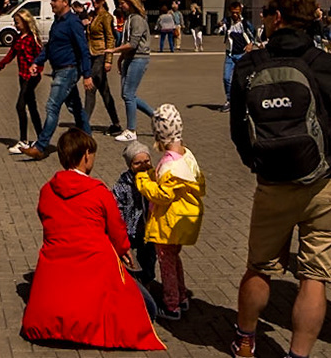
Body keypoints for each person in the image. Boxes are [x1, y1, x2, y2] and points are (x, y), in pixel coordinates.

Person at [228, 0, 331, 358]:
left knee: (259, 267)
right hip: (326, 180)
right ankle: (298, 354)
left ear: (276, 18)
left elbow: (239, 130)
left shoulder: (249, 66)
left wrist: (255, 162)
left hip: (273, 180)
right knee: (315, 276)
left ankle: (245, 340)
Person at [21, 126, 165, 350]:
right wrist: (124, 251)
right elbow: (117, 231)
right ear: (86, 155)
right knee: (149, 308)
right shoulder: (98, 191)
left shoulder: (47, 190)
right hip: (95, 266)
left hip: (56, 270)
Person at [133, 104, 203, 320]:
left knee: (166, 262)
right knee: (174, 258)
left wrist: (143, 179)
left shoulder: (170, 166)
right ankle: (181, 296)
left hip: (169, 222)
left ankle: (171, 304)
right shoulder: (187, 156)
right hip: (182, 219)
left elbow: (162, 195)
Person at [19, 0, 92, 162]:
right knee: (76, 108)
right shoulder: (57, 22)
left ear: (65, 2)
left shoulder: (73, 22)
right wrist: (37, 62)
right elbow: (50, 47)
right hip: (59, 69)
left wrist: (87, 74)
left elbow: (83, 49)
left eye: (54, 1)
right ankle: (88, 141)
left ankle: (40, 146)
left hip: (68, 70)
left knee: (52, 107)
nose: (51, 3)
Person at [112, 139, 158, 288]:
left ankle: (147, 280)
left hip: (149, 228)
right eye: (137, 163)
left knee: (149, 257)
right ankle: (130, 281)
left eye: (147, 161)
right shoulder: (124, 183)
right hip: (130, 228)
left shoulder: (154, 178)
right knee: (129, 259)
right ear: (130, 165)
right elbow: (117, 205)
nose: (143, 166)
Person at [0, 9, 44, 149]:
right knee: (32, 106)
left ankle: (23, 140)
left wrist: (37, 70)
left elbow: (40, 57)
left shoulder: (33, 38)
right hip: (22, 75)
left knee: (20, 105)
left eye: (17, 23)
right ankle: (42, 137)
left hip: (32, 77)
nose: (15, 25)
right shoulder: (18, 38)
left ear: (25, 22)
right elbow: (11, 53)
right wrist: (1, 64)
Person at [116, 0, 156, 142]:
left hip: (138, 58)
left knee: (128, 94)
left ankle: (131, 130)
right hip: (130, 58)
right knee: (127, 95)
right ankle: (155, 115)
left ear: (131, 2)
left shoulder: (137, 19)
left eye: (123, 3)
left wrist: (113, 50)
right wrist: (120, 59)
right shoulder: (130, 18)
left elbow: (132, 44)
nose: (121, 6)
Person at [83, 0, 121, 131]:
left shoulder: (106, 17)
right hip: (90, 55)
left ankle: (84, 124)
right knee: (104, 91)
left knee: (90, 88)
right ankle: (116, 123)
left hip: (100, 54)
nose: (94, 1)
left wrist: (108, 60)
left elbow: (110, 38)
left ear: (103, 1)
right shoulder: (92, 15)